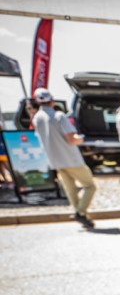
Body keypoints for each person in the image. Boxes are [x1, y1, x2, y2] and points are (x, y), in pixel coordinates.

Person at [31, 87, 97, 229]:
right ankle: (80, 212)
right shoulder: (59, 116)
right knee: (90, 186)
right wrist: (82, 138)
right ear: (52, 101)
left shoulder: (37, 118)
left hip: (55, 160)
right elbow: (72, 139)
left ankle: (82, 215)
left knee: (70, 189)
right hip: (71, 158)